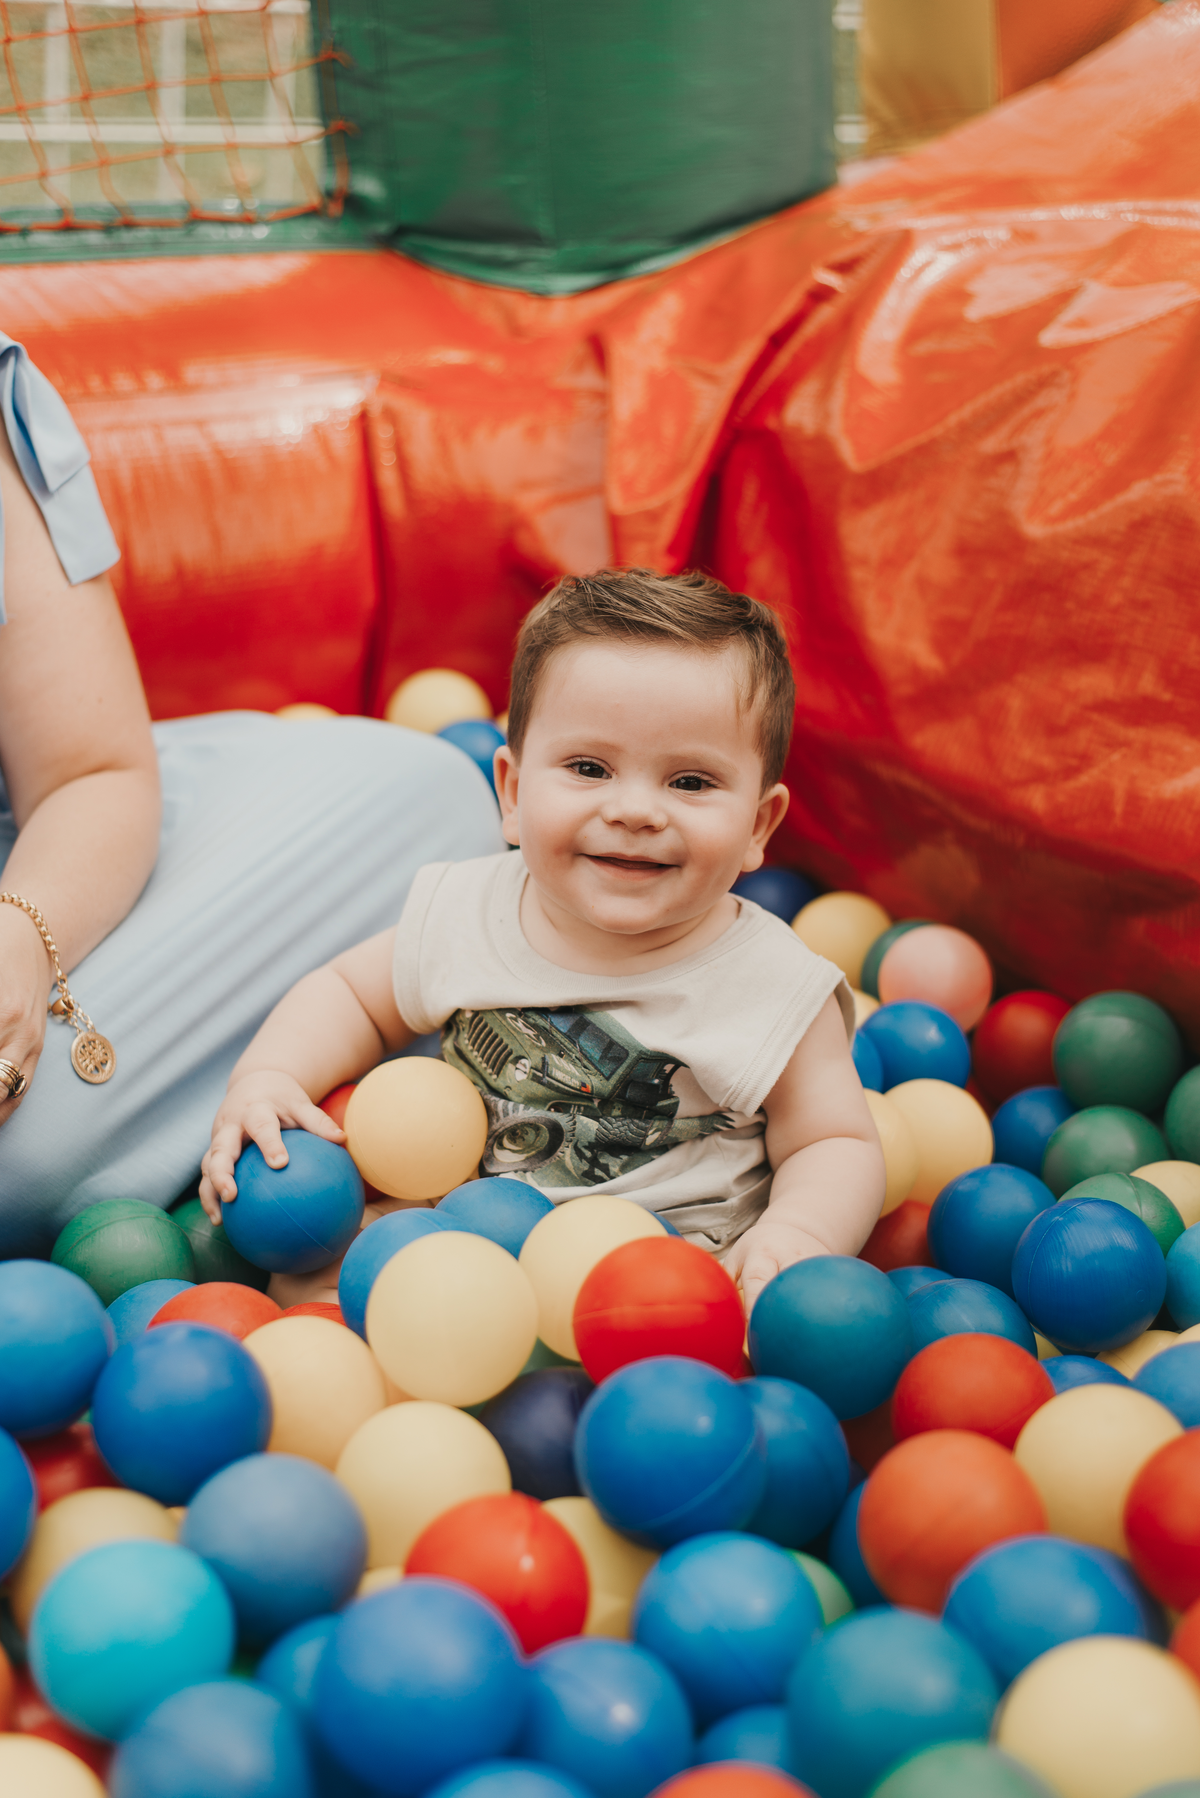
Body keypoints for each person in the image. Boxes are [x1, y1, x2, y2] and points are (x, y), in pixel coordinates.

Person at [202, 568, 885, 1312]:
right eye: (589, 768)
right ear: (515, 792)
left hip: (673, 1282)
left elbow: (834, 1143)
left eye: (689, 782)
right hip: (456, 1240)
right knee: (309, 1282)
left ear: (758, 825)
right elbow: (351, 997)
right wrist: (269, 1078)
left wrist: (796, 1236)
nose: (634, 809)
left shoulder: (776, 986)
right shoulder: (468, 909)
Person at [0, 333, 505, 1258]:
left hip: (43, 863)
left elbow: (87, 770)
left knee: (431, 795)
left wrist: (22, 942)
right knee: (22, 1175)